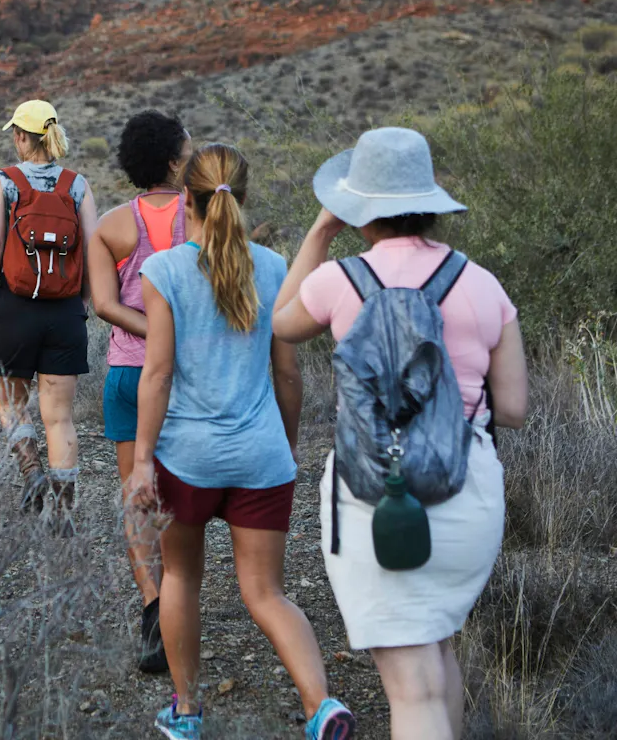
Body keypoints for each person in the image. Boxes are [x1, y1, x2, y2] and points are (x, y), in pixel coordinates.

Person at [272, 127, 528, 740]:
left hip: (375, 500)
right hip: (466, 492)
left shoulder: (341, 280)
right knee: (438, 661)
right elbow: (514, 408)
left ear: (361, 208)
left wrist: (319, 232)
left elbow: (280, 323)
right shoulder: (483, 283)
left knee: (411, 690)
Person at [127, 143, 355, 740]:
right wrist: (282, 446)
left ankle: (187, 713)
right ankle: (321, 707)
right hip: (260, 456)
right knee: (266, 593)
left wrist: (143, 460)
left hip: (188, 459)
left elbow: (157, 374)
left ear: (187, 202)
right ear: (244, 199)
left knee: (180, 580)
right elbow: (288, 373)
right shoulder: (277, 268)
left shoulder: (165, 270)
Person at [89, 110, 191, 674]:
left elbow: (103, 305)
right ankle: (178, 602)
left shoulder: (110, 226)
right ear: (174, 161)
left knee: (137, 494)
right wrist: (172, 332)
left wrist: (146, 328)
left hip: (127, 375)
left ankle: (152, 607)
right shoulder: (202, 218)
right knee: (178, 496)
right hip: (181, 377)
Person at [0, 99, 99, 535]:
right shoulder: (77, 184)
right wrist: (83, 302)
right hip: (65, 312)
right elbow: (93, 248)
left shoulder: (3, 182)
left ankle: (31, 470)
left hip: (14, 306)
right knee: (60, 418)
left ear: (21, 136)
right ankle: (64, 516)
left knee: (12, 404)